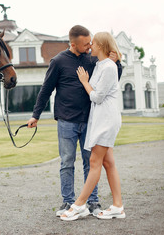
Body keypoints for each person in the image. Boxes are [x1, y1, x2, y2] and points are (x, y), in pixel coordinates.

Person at [27, 25, 122, 217]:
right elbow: (46, 90)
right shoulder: (58, 61)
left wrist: (117, 63)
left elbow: (110, 80)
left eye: (91, 43)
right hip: (66, 121)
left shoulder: (93, 58)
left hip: (90, 120)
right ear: (73, 44)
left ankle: (92, 201)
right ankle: (69, 201)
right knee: (67, 162)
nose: (89, 46)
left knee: (91, 162)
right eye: (86, 44)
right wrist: (35, 115)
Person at [60, 31, 124, 221]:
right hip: (100, 119)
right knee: (107, 162)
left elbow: (97, 96)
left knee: (95, 162)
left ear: (102, 46)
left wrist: (85, 83)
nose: (90, 47)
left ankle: (79, 205)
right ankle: (118, 206)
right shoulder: (100, 65)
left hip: (106, 120)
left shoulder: (109, 67)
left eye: (94, 43)